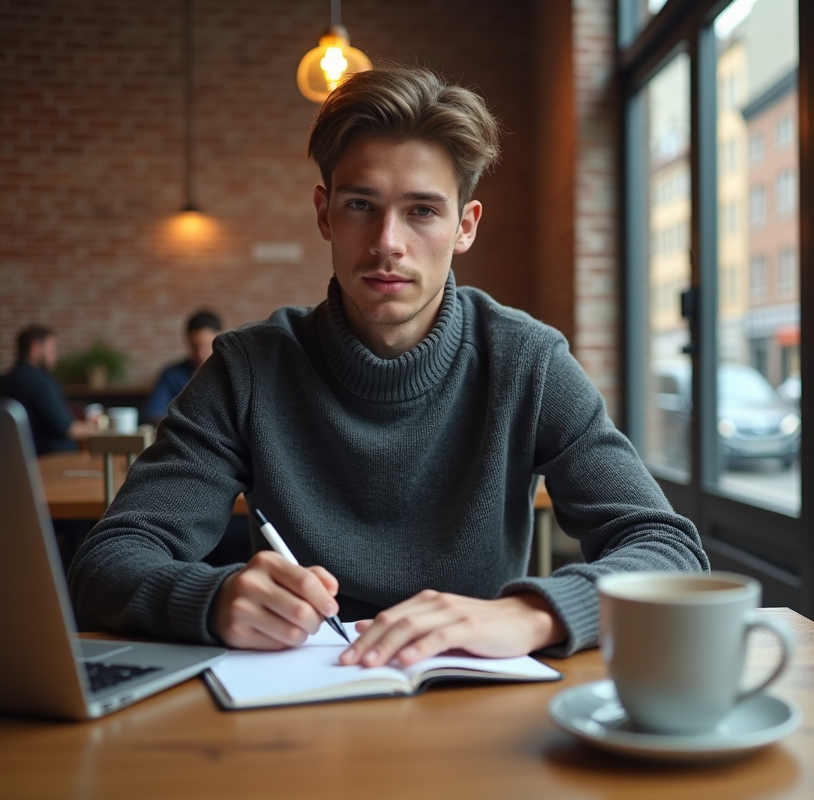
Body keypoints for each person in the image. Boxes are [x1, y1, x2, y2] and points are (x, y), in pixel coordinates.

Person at [68, 66, 708, 667]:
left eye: (422, 210)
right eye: (360, 205)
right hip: (295, 705)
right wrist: (210, 599)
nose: (387, 244)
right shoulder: (248, 369)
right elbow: (107, 561)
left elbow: (671, 553)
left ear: (465, 226)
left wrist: (534, 614)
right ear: (324, 213)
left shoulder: (528, 361)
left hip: (471, 695)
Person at [0, 325, 97, 456]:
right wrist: (96, 427)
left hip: (11, 459)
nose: (55, 356)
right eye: (52, 350)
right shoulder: (42, 383)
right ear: (36, 348)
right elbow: (69, 429)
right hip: (53, 460)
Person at [143, 310, 223, 424]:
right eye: (194, 346)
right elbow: (153, 413)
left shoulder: (231, 375)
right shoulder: (171, 375)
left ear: (219, 341)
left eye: (206, 346)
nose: (200, 353)